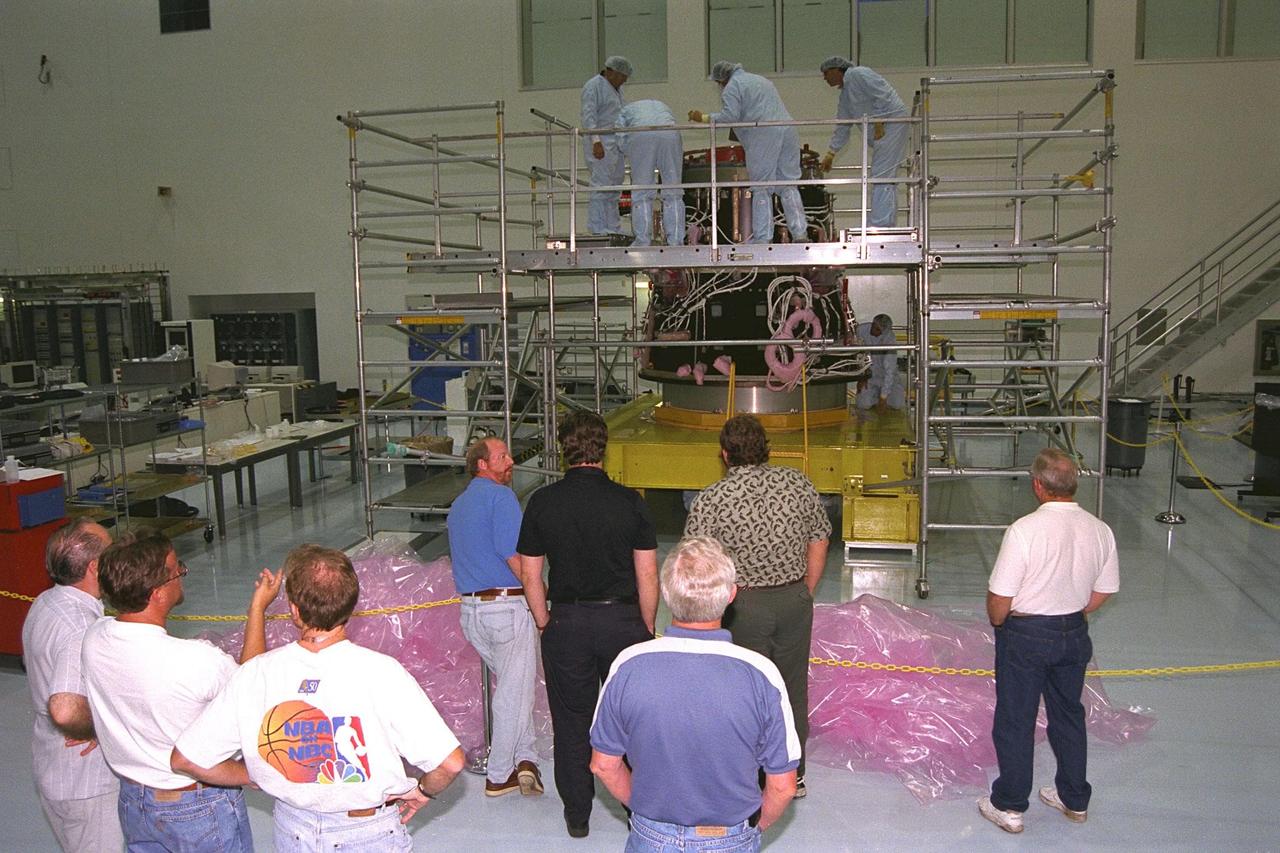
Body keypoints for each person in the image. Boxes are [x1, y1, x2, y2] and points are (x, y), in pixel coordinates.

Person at [172, 545, 466, 852]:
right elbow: (451, 763)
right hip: (368, 833)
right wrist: (422, 791)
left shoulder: (256, 673)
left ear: (294, 610)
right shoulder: (382, 672)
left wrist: (252, 774)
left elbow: (186, 759)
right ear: (352, 604)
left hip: (293, 831)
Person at [590, 536, 800, 852]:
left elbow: (604, 764)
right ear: (731, 595)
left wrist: (645, 811)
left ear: (665, 592)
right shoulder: (762, 674)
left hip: (651, 834)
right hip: (729, 837)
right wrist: (754, 830)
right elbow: (783, 787)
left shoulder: (629, 664)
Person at [80, 529, 277, 852]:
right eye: (176, 571)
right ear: (157, 592)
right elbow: (249, 687)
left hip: (134, 801)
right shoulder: (195, 660)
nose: (181, 575)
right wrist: (258, 609)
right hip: (196, 804)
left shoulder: (95, 638)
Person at [517, 410, 659, 839]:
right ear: (603, 449)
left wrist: (545, 620)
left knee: (572, 720)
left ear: (564, 449)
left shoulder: (543, 502)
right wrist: (646, 630)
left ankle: (577, 816)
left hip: (568, 621)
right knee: (631, 721)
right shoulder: (630, 501)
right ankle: (640, 812)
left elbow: (530, 574)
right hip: (623, 621)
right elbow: (647, 575)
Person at [683, 414, 830, 797]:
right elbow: (819, 538)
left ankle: (746, 774)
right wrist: (806, 588)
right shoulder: (798, 484)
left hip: (741, 605)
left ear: (724, 454)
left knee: (743, 690)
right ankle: (791, 773)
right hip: (793, 599)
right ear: (767, 449)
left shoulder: (712, 499)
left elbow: (696, 559)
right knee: (791, 689)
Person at [977, 448, 1120, 834]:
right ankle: (1074, 799)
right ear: (1073, 485)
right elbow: (1105, 589)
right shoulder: (1099, 529)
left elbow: (1000, 598)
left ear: (1038, 486)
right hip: (1073, 632)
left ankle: (1008, 804)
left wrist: (1000, 622)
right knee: (1068, 714)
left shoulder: (1024, 530)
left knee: (1016, 718)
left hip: (1026, 635)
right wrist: (1070, 610)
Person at [445, 436, 543, 798]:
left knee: (515, 685)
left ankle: (526, 757)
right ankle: (500, 773)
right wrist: (542, 604)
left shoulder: (458, 505)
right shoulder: (501, 498)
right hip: (506, 608)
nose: (511, 461)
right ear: (482, 465)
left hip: (471, 613)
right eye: (502, 457)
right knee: (514, 694)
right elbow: (515, 558)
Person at [20, 519, 122, 852]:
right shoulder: (80, 626)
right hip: (85, 782)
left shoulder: (47, 602)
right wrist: (98, 728)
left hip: (54, 767)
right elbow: (64, 709)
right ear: (94, 567)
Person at [689, 61, 808, 244]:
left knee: (761, 187)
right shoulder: (761, 80)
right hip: (787, 129)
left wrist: (703, 118)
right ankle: (800, 234)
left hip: (763, 133)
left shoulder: (732, 87)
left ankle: (763, 238)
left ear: (721, 79)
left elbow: (730, 117)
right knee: (788, 183)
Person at [817, 57, 909, 228]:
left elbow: (881, 93)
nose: (824, 78)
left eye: (826, 73)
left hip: (892, 121)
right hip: (883, 126)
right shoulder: (846, 94)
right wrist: (831, 152)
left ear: (837, 69)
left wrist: (880, 119)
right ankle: (883, 221)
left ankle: (882, 224)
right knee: (883, 174)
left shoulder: (859, 74)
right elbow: (843, 124)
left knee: (882, 174)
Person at [617, 99, 686, 247]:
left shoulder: (624, 112)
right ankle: (676, 240)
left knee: (641, 191)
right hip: (670, 132)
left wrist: (629, 152)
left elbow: (620, 137)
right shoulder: (663, 105)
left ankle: (642, 241)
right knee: (673, 189)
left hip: (641, 134)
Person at [581, 55, 632, 238]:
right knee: (601, 185)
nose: (623, 81)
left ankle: (613, 226)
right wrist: (596, 141)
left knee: (614, 187)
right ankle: (598, 227)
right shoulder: (593, 86)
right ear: (610, 71)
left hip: (615, 143)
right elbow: (589, 117)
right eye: (621, 77)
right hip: (601, 142)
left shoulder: (617, 90)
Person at [855, 313, 905, 411]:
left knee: (897, 404)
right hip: (870, 376)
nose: (873, 330)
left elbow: (889, 370)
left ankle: (882, 396)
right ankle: (874, 397)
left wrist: (883, 397)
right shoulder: (861, 330)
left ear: (884, 332)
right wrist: (861, 377)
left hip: (887, 377)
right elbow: (856, 355)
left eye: (877, 329)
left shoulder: (890, 340)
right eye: (873, 326)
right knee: (863, 404)